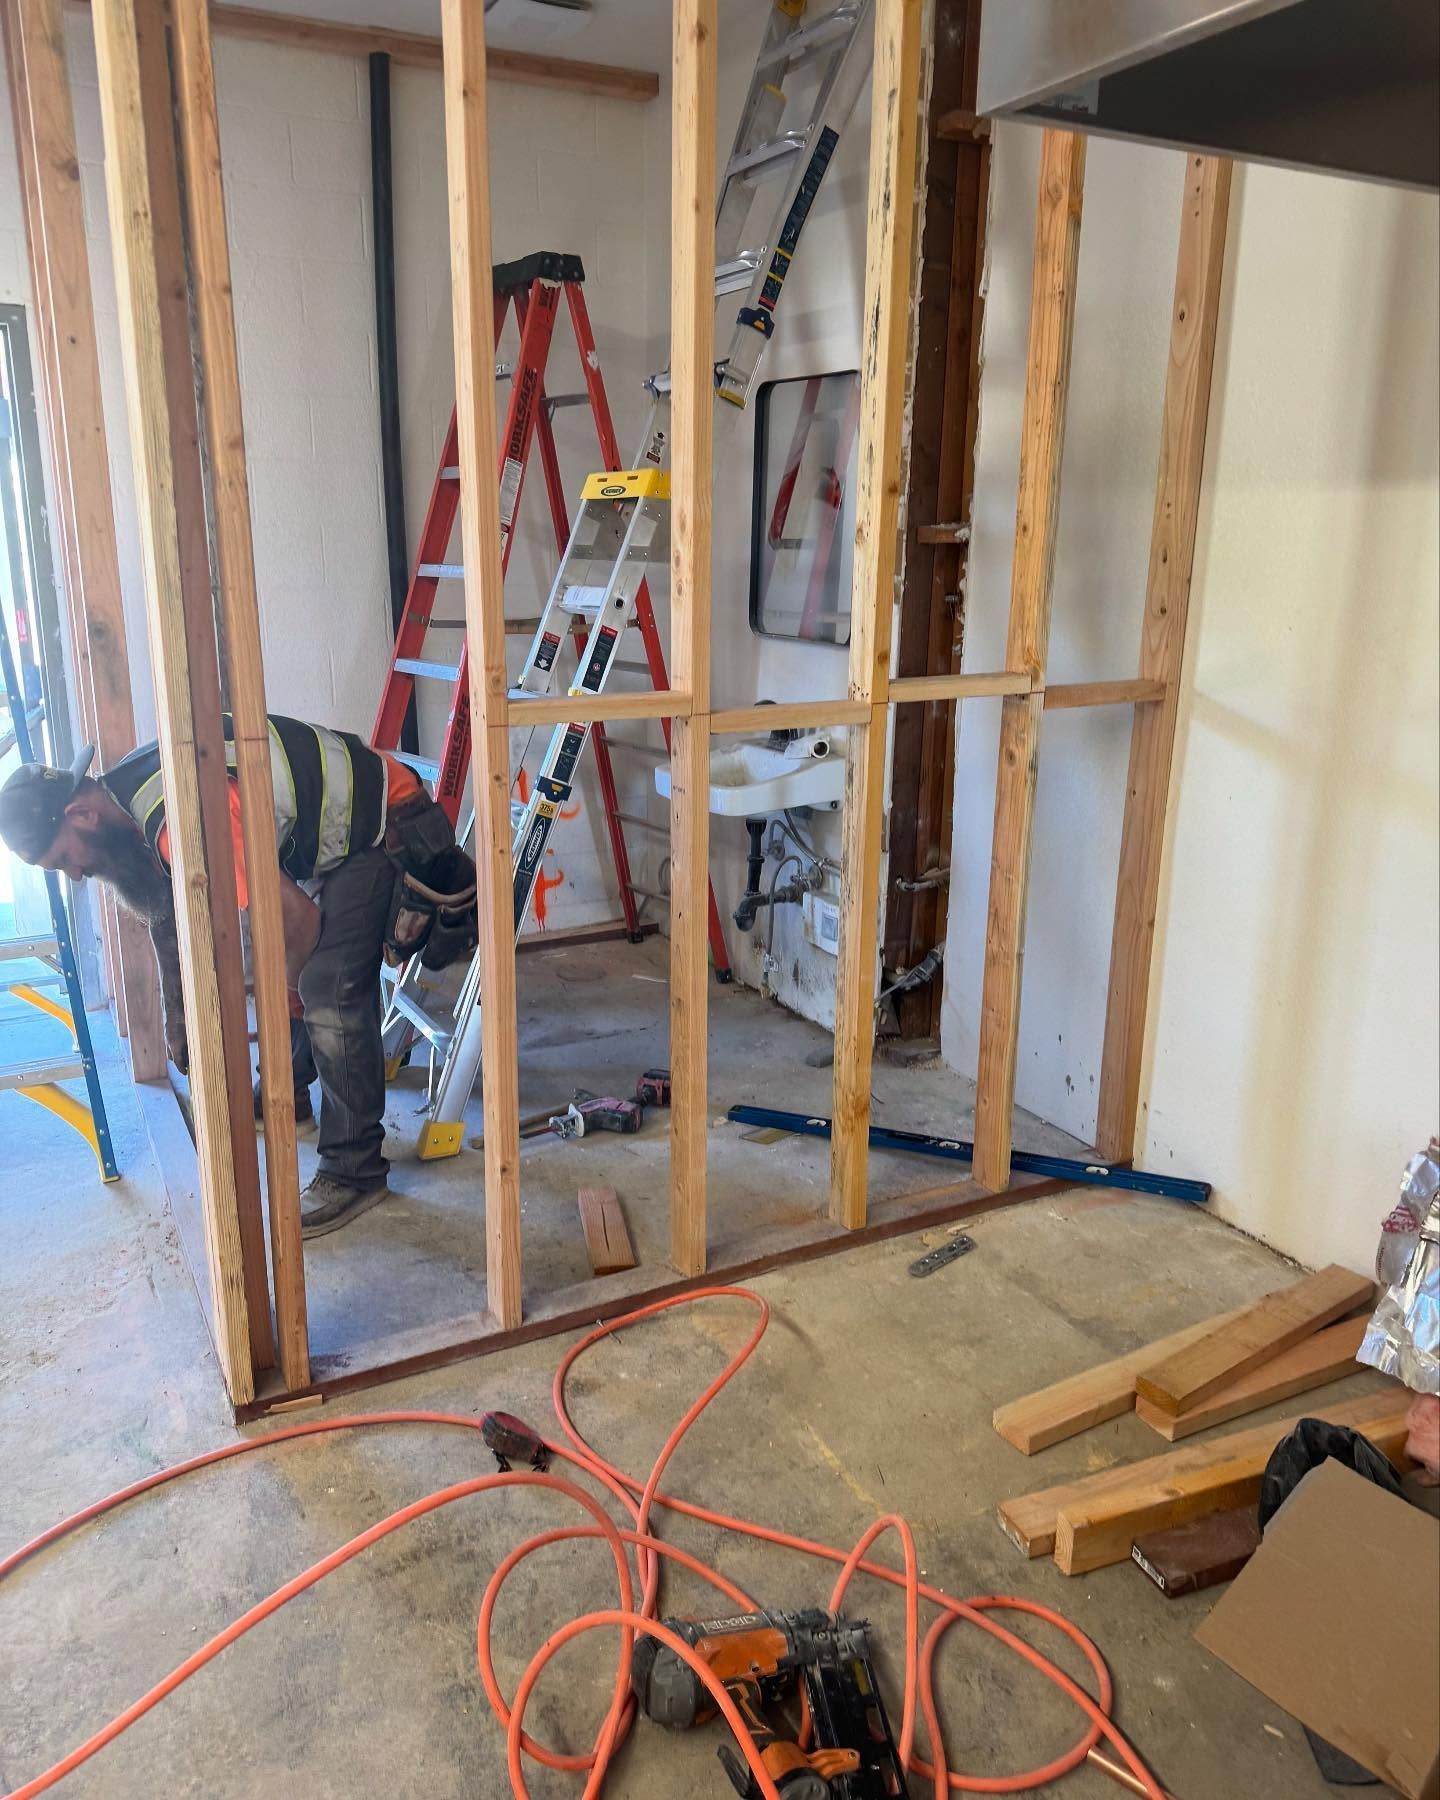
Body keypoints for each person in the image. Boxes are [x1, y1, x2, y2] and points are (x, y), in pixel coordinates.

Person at [0, 716, 472, 1238]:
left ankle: (354, 1169)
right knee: (290, 970)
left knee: (323, 986)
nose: (75, 874)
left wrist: (288, 995)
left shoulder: (187, 818)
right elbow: (168, 907)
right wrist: (176, 1016)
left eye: (65, 857)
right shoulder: (127, 797)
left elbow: (296, 923)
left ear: (81, 814)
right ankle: (288, 1093)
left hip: (385, 826)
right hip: (325, 836)